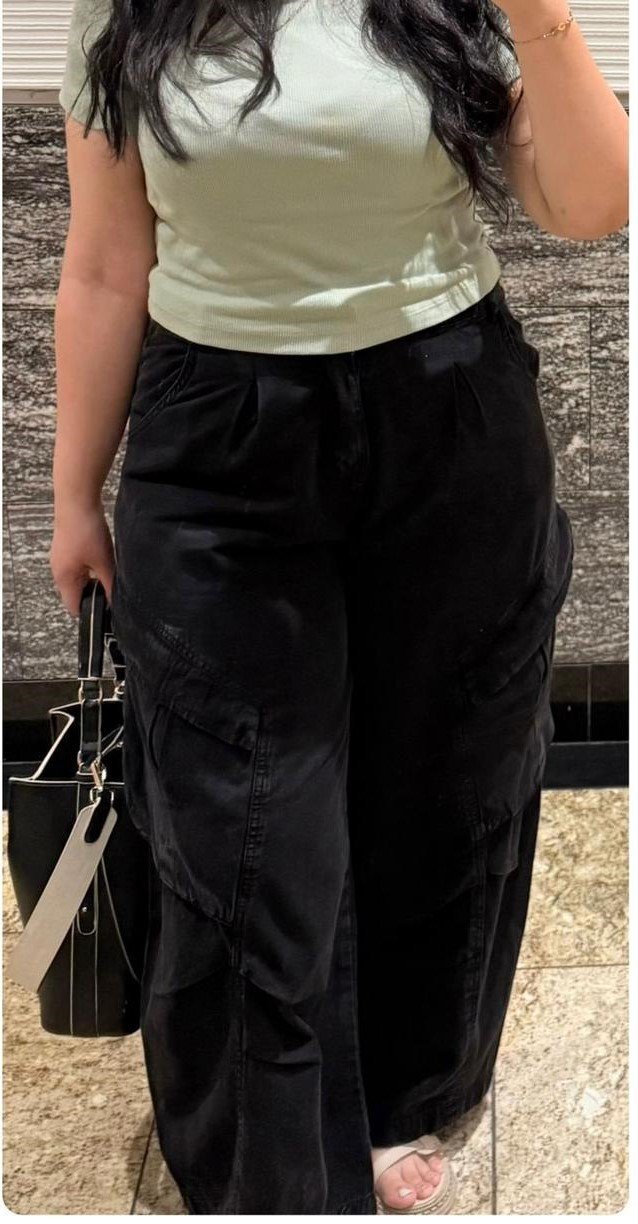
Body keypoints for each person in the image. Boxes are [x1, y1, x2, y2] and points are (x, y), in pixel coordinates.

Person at [51, 0, 627, 1213]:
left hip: (447, 417)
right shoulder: (127, 9)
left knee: (443, 783)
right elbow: (105, 262)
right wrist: (73, 495)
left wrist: (539, 16)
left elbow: (589, 205)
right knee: (244, 824)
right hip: (219, 441)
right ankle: (274, 1166)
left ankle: (396, 1093)